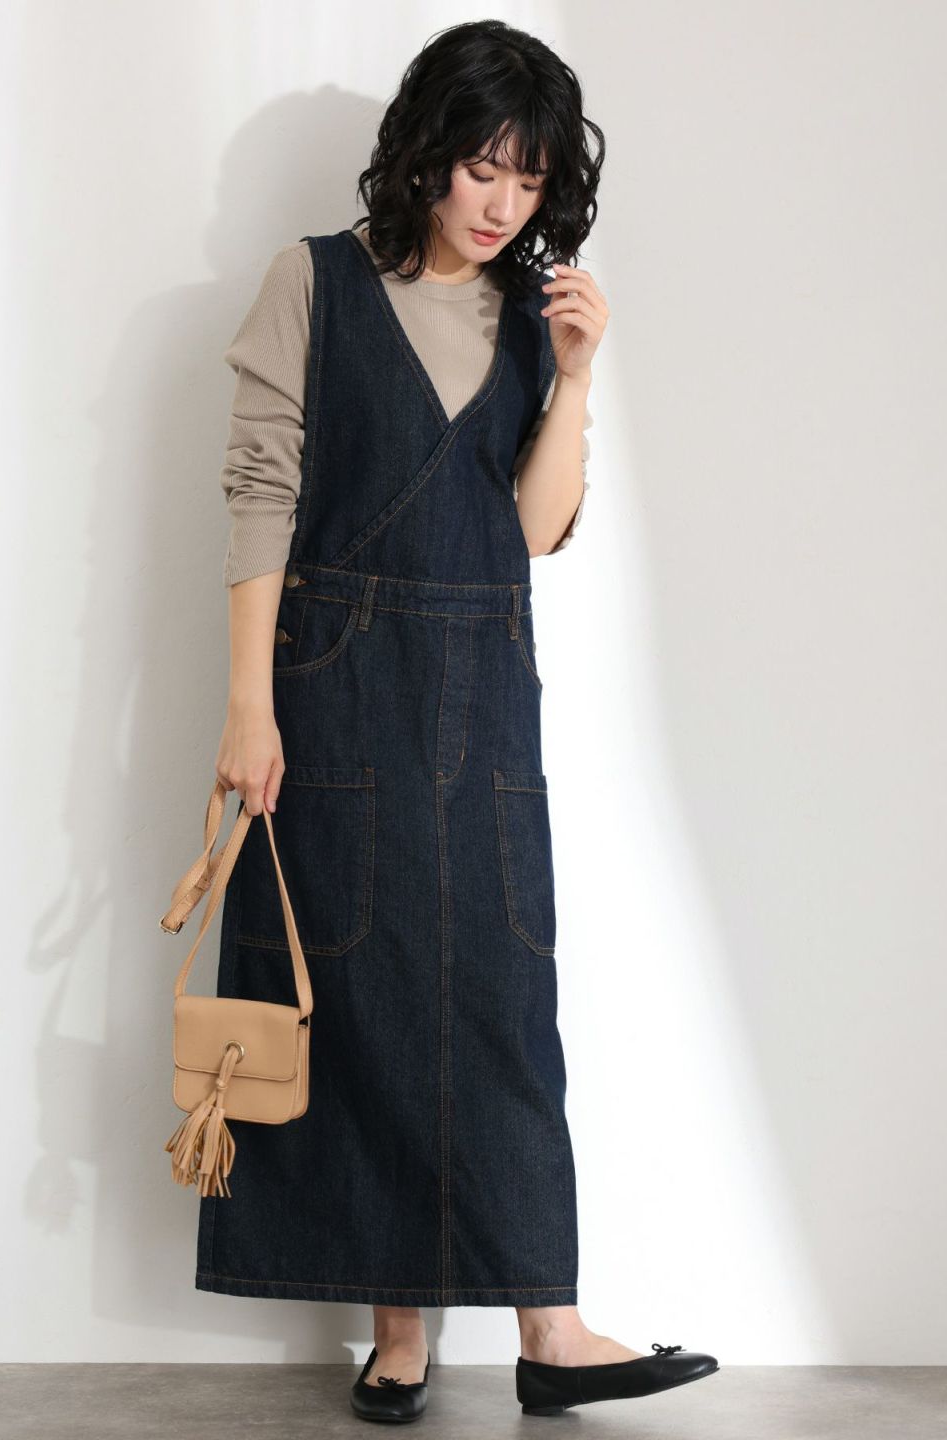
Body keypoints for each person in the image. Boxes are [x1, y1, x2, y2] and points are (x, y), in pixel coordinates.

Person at [203, 17, 719, 1423]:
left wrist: (580, 374)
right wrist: (248, 706)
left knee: (500, 1004)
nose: (502, 203)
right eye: (484, 168)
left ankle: (551, 1330)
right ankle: (401, 1335)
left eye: (530, 179)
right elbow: (259, 488)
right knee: (366, 997)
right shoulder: (315, 283)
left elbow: (536, 531)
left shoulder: (532, 319)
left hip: (485, 697)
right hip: (335, 688)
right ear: (428, 154)